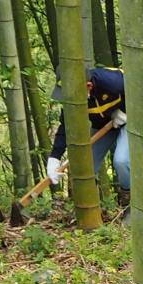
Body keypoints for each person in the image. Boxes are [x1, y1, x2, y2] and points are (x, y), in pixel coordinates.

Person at [44, 66, 130, 207]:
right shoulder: (72, 101)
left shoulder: (112, 81)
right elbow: (66, 126)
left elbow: (141, 92)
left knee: (121, 161)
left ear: (88, 86)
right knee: (85, 165)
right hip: (104, 126)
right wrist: (55, 157)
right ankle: (90, 210)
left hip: (129, 122)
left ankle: (129, 202)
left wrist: (125, 110)